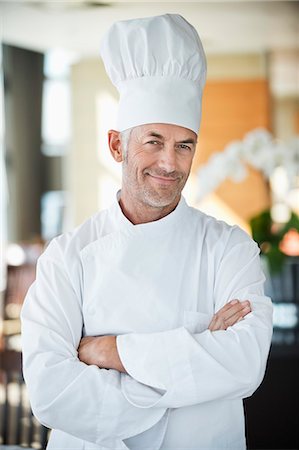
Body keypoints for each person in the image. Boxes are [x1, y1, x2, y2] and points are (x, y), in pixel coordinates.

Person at [21, 14, 273, 450]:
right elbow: (51, 393)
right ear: (117, 145)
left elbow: (245, 364)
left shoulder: (230, 249)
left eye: (184, 145)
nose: (170, 163)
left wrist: (111, 353)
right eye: (153, 141)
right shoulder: (67, 257)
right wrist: (191, 362)